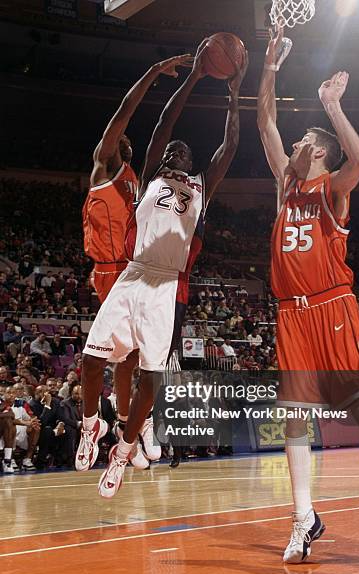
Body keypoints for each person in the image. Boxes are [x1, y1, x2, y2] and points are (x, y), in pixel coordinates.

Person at [77, 40, 247, 497]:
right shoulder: (150, 173)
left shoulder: (201, 185)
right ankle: (92, 424)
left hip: (166, 285)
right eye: (169, 150)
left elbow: (231, 143)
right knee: (91, 361)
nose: (174, 150)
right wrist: (192, 76)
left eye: (181, 151)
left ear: (191, 163)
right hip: (133, 272)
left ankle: (124, 447)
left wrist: (235, 90)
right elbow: (163, 123)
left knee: (151, 374)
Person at [257, 27, 359, 566]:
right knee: (295, 418)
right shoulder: (284, 187)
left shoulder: (331, 188)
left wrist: (333, 105)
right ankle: (302, 519)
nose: (291, 147)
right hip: (291, 315)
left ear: (317, 151)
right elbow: (265, 122)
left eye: (300, 144)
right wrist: (269, 67)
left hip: (333, 308)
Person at [81, 54, 193, 464]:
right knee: (119, 357)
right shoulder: (105, 167)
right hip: (111, 271)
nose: (125, 139)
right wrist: (150, 74)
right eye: (120, 138)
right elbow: (122, 116)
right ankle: (120, 420)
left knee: (136, 357)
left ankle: (131, 425)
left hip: (137, 269)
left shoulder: (139, 179)